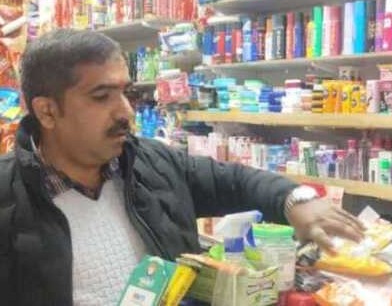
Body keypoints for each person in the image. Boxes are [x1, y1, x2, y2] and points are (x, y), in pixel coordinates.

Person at [0, 29, 365, 305]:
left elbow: (236, 181)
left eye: (126, 93)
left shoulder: (153, 164)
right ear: (47, 111)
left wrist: (296, 199)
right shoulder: (7, 196)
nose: (125, 112)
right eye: (101, 97)